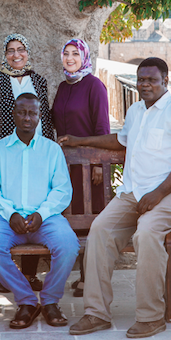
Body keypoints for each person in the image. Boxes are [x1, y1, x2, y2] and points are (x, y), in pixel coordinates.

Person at [62, 57, 171, 338]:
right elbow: (121, 140)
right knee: (100, 231)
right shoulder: (136, 110)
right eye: (141, 80)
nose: (145, 85)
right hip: (134, 191)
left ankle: (151, 317)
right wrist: (80, 140)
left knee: (147, 234)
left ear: (166, 81)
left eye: (152, 79)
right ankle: (96, 314)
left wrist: (158, 194)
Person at [0, 93, 79, 329]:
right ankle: (26, 301)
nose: (27, 117)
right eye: (22, 112)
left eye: (32, 113)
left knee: (68, 245)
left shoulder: (52, 150)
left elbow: (62, 190)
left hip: (45, 218)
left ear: (39, 117)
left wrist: (42, 214)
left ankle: (50, 301)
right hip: (5, 220)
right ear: (14, 114)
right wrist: (10, 213)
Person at [0, 33, 54, 292]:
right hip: (7, 155)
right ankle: (6, 275)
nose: (16, 54)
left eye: (20, 49)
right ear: (5, 54)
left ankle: (31, 275)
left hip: (37, 154)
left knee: (33, 206)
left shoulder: (39, 80)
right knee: (10, 210)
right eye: (11, 50)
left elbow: (45, 117)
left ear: (27, 52)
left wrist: (50, 148)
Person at [52, 38, 111, 297]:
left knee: (93, 221)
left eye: (75, 53)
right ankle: (82, 275)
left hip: (89, 168)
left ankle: (90, 279)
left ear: (84, 56)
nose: (70, 58)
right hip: (67, 167)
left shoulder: (94, 86)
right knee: (73, 218)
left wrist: (98, 164)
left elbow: (103, 129)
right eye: (66, 53)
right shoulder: (64, 87)